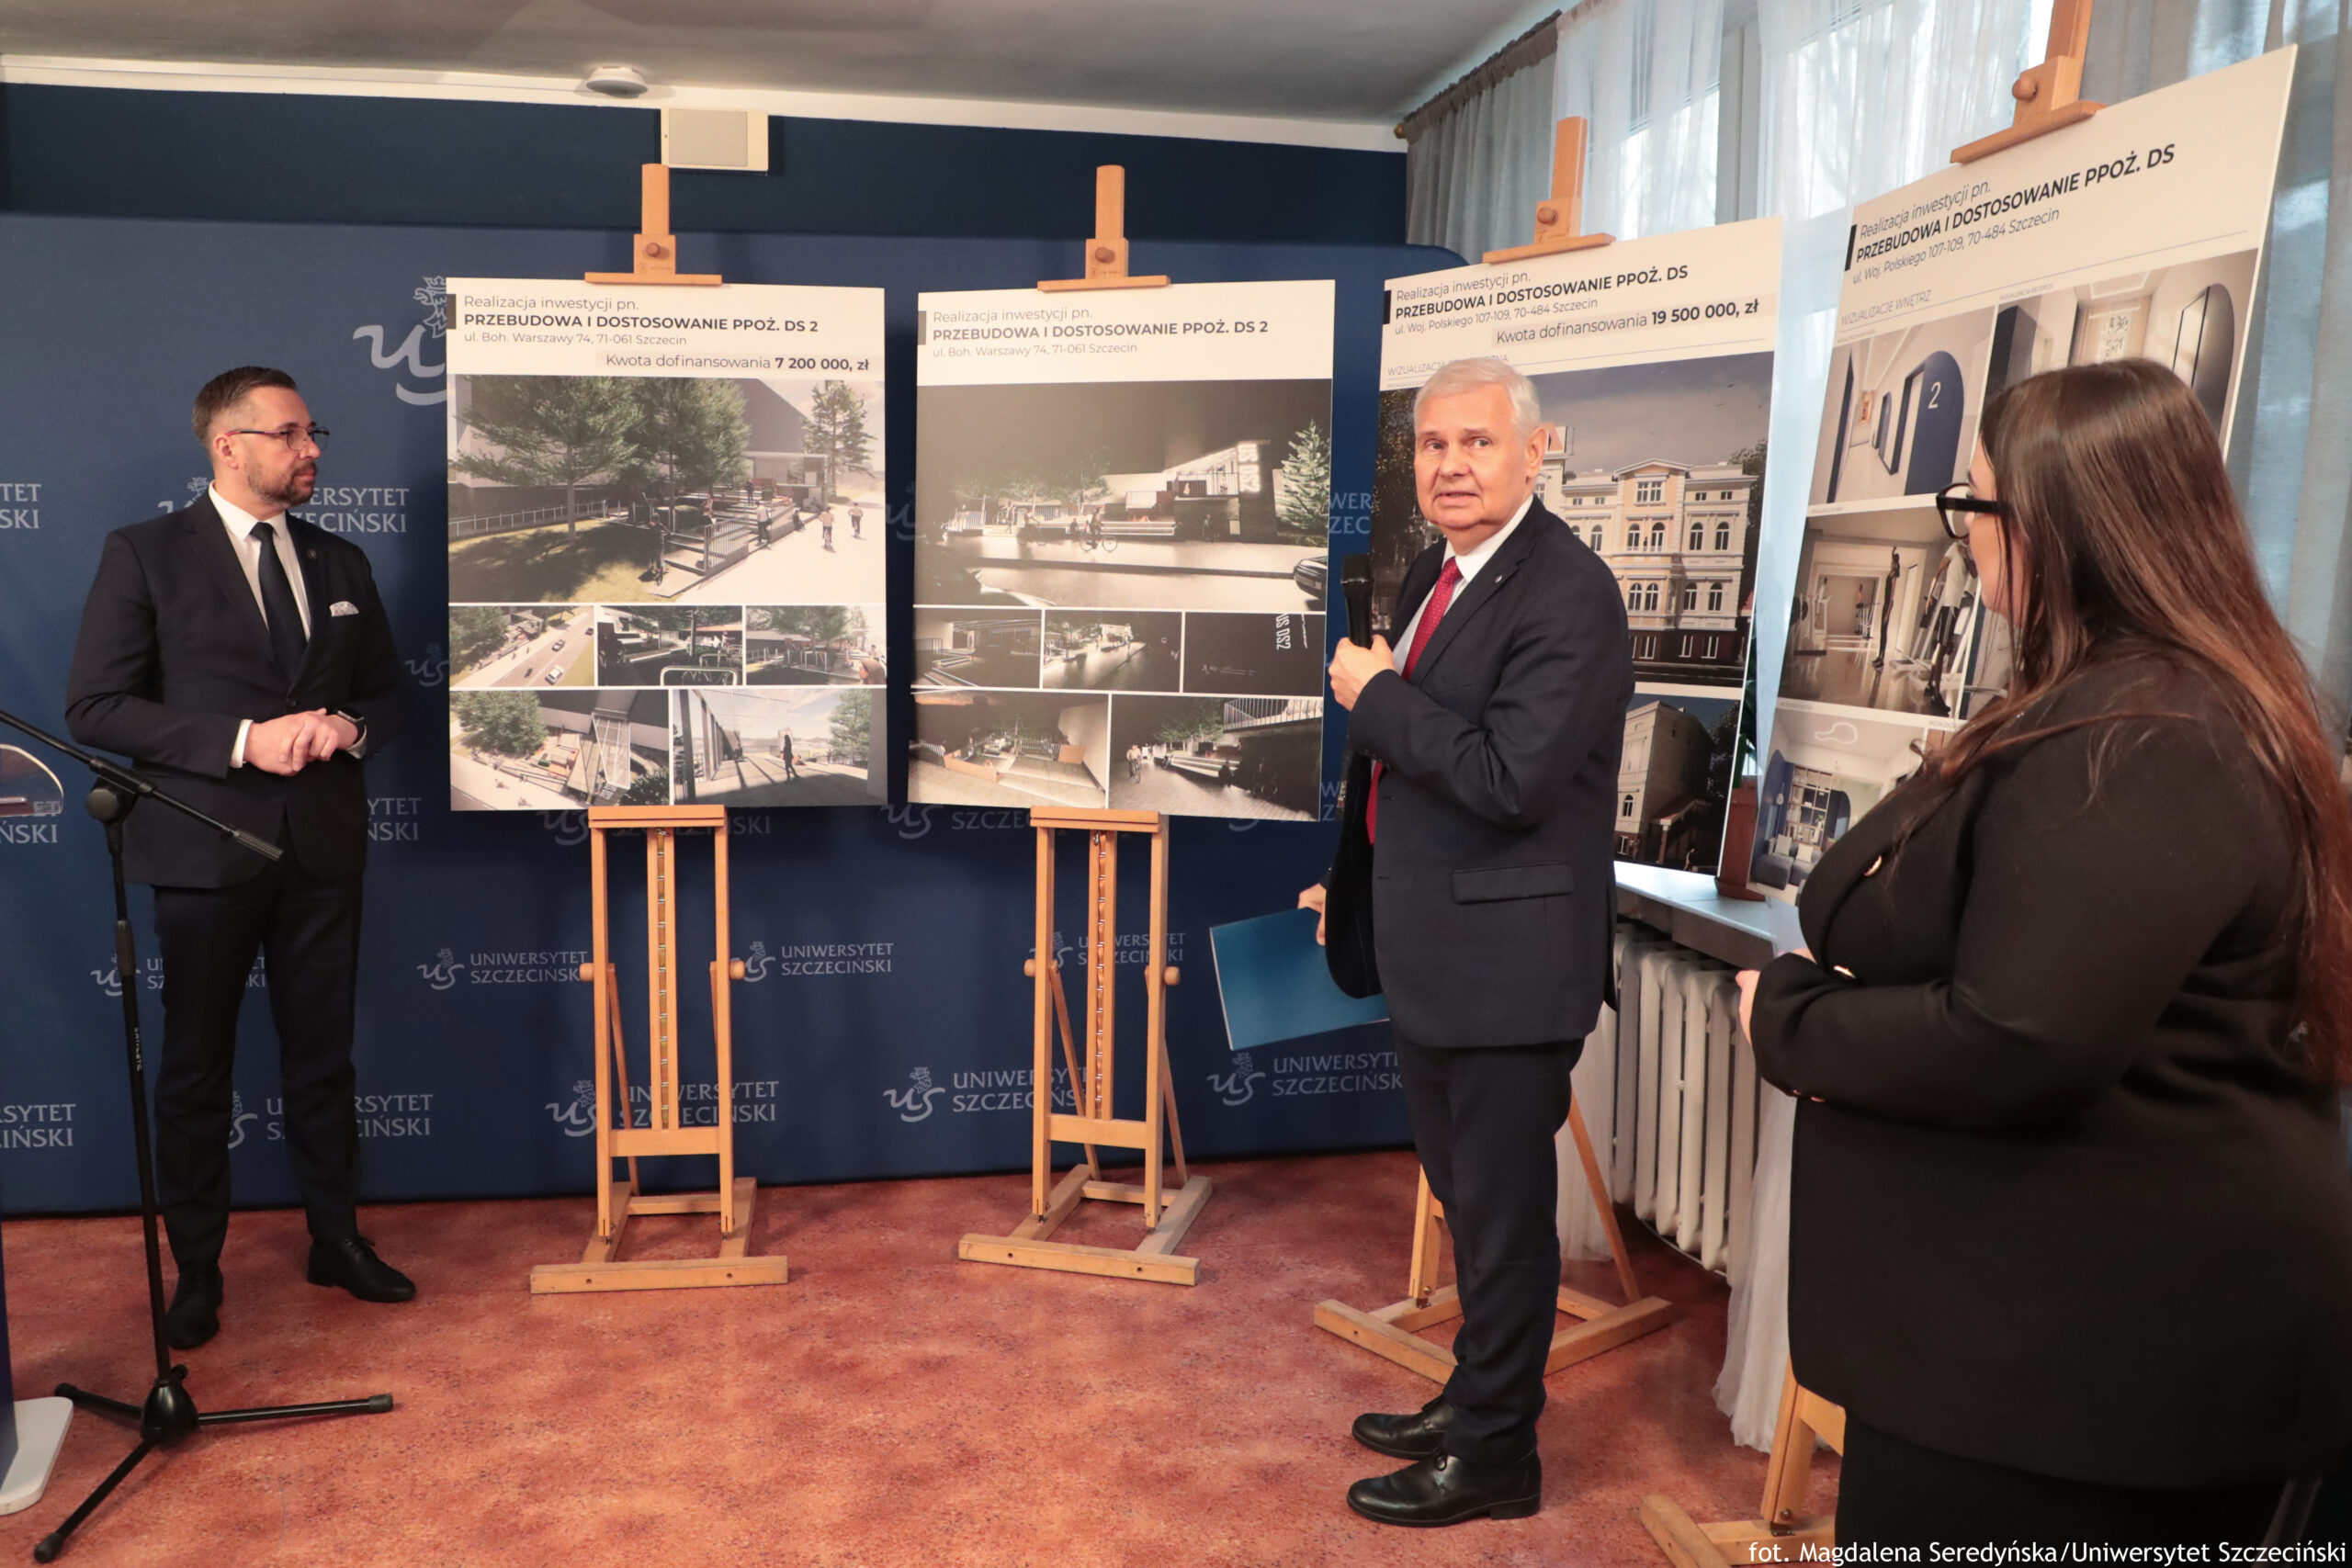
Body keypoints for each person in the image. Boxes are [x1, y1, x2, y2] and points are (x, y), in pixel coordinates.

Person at [1736, 360, 2352, 1546]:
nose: (1964, 538)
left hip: (2091, 1377)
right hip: (2051, 1346)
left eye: (1973, 506)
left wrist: (1789, 1019)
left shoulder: (2147, 735)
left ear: (2057, 524)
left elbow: (2014, 1035)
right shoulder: (2128, 701)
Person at [1302, 356, 1631, 1527]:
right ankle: (1475, 1396)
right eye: (1432, 446)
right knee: (1465, 1203)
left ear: (1535, 453)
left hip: (1508, 971)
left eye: (1477, 444)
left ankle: (1497, 1456)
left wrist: (1376, 696)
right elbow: (1419, 775)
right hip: (1436, 950)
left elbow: (1506, 777)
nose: (1448, 466)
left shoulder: (1569, 594)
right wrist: (1357, 881)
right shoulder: (1439, 570)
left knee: (1500, 1222)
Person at [64, 366, 418, 1350]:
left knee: (323, 1060)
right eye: (291, 434)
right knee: (196, 1069)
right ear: (229, 445)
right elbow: (95, 706)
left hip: (322, 849)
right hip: (203, 846)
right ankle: (199, 1272)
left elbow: (390, 692)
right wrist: (241, 741)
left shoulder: (341, 562)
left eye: (314, 433)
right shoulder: (144, 555)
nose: (312, 451)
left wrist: (348, 726)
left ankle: (336, 1241)